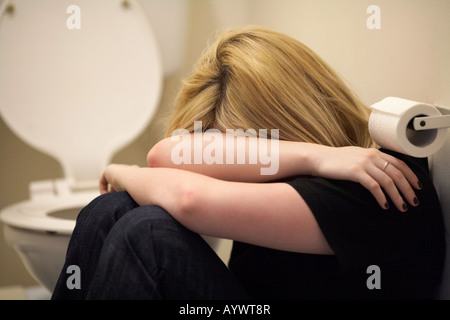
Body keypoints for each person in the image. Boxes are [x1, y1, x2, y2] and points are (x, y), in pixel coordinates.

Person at [52, 26, 445, 300]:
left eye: (244, 146)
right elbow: (167, 154)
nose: (233, 161)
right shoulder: (323, 161)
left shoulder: (376, 185)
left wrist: (129, 172)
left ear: (291, 118)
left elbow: (186, 196)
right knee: (111, 207)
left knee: (148, 233)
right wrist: (316, 154)